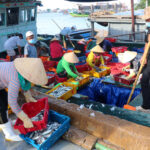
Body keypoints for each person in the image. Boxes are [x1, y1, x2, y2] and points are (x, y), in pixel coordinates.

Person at [0, 58, 48, 141]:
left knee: (3, 101)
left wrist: (27, 94)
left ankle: (6, 121)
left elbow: (22, 80)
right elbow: (12, 103)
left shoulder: (18, 68)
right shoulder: (14, 80)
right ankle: (8, 134)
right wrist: (25, 118)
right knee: (1, 107)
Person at [136, 22, 150, 112]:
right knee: (144, 80)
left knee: (145, 79)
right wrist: (144, 56)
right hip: (148, 57)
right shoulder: (148, 29)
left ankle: (146, 106)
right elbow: (146, 43)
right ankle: (146, 105)